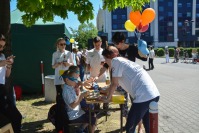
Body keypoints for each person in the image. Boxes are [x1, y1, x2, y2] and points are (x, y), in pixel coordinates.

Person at [101, 46, 160, 133]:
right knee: (148, 125)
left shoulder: (115, 61)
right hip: (153, 94)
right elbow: (114, 83)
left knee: (130, 126)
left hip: (143, 97)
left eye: (105, 59)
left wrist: (107, 99)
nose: (105, 62)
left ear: (109, 57)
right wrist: (105, 91)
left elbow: (114, 84)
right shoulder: (123, 61)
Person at [61, 66, 96, 133]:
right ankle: (82, 129)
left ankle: (81, 129)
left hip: (77, 112)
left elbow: (78, 84)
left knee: (91, 113)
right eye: (74, 79)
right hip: (73, 116)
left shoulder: (70, 86)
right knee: (93, 119)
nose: (76, 81)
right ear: (67, 80)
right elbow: (73, 105)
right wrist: (81, 95)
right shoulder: (66, 91)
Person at [0, 34, 22, 133]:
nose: (1, 48)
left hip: (1, 89)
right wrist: (2, 63)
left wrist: (8, 65)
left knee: (16, 117)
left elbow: (7, 75)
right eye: (0, 46)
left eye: (3, 46)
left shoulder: (2, 56)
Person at [51, 37, 73, 132]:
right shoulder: (55, 54)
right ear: (57, 45)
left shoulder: (69, 53)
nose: (63, 46)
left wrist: (67, 64)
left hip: (67, 80)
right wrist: (57, 64)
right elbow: (52, 66)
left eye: (64, 44)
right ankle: (60, 120)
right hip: (58, 80)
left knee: (67, 98)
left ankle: (68, 118)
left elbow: (72, 64)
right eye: (61, 44)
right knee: (60, 99)